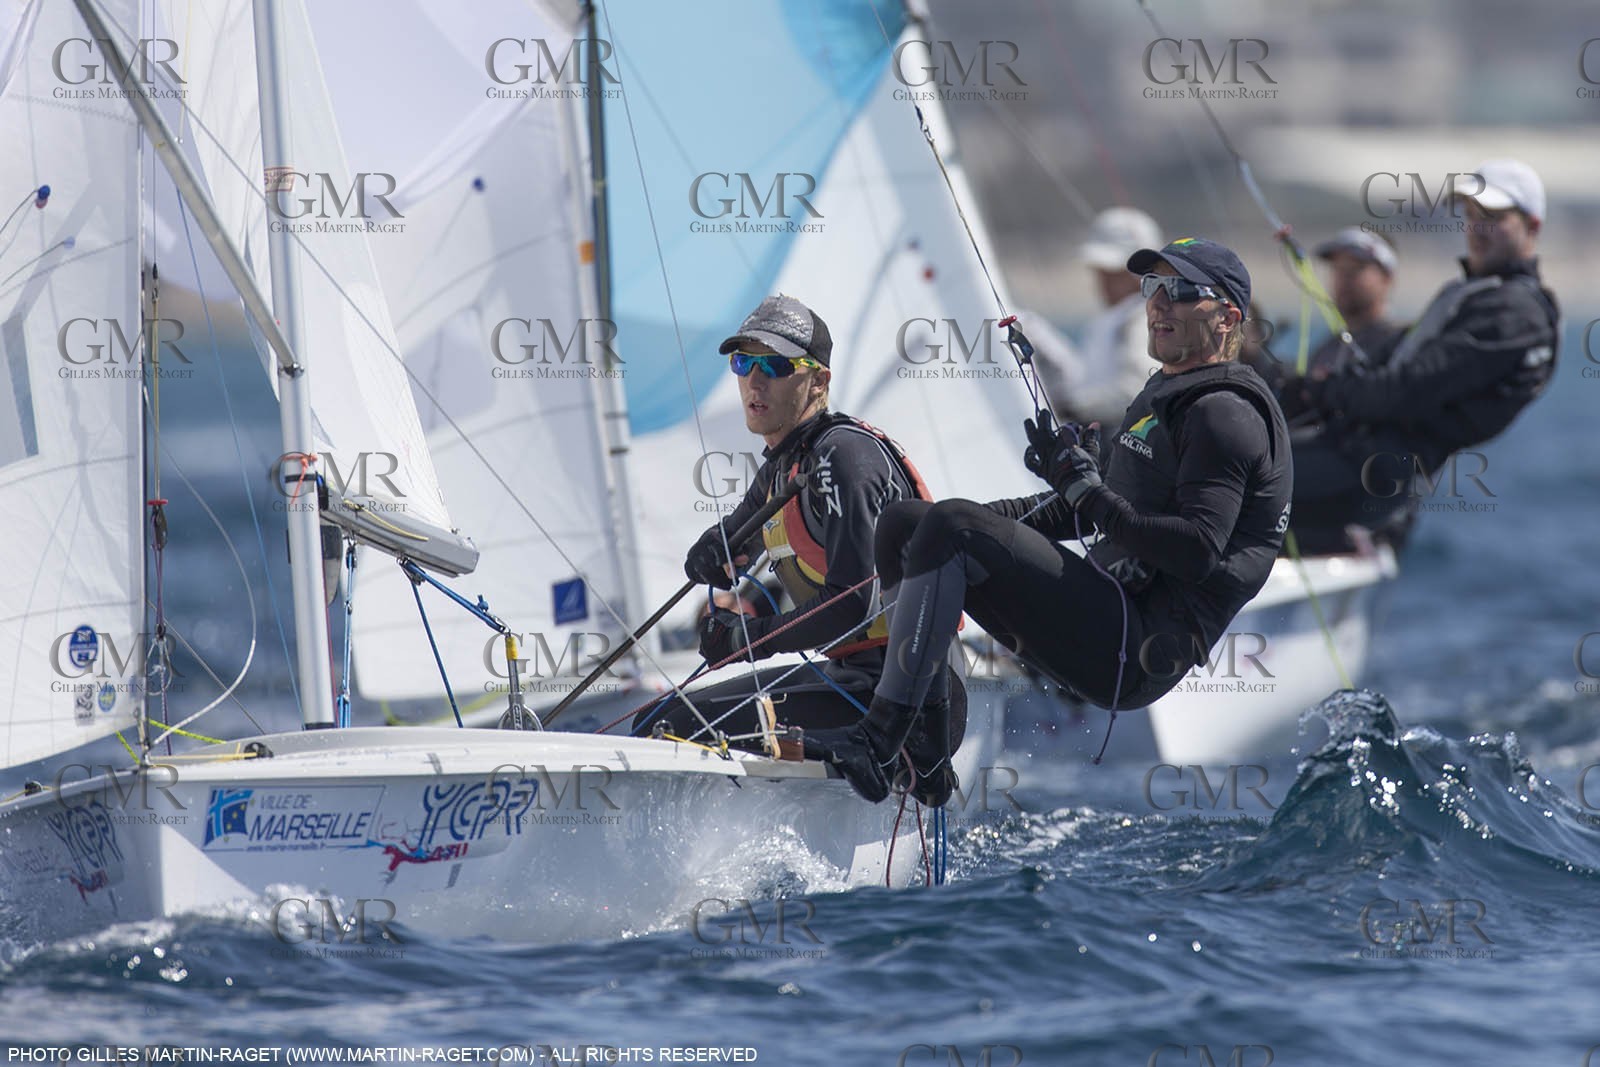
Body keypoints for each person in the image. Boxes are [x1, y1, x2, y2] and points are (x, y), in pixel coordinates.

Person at [805, 238, 1293, 803]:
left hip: (1134, 646)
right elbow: (1080, 509)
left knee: (951, 530)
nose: (1158, 305)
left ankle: (879, 738)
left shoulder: (1224, 415)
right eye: (1152, 289)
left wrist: (1082, 491)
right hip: (1108, 610)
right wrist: (992, 515)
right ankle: (919, 740)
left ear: (1228, 317)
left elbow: (1195, 550)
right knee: (909, 524)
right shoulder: (1170, 390)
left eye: (1181, 292)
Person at [634, 295, 966, 781]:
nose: (755, 380)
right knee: (655, 718)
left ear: (819, 381)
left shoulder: (844, 460)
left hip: (907, 705)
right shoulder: (785, 465)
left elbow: (852, 606)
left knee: (668, 724)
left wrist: (747, 640)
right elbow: (735, 539)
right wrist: (707, 554)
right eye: (743, 363)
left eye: (775, 365)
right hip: (853, 681)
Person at [1282, 159, 1559, 550]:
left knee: (1225, 477)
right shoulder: (1483, 296)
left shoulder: (1511, 313)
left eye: (1494, 217)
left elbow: (1404, 391)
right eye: (1471, 214)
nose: (1477, 228)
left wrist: (1318, 391)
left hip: (1370, 469)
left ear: (1532, 226)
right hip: (1356, 454)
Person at [1036, 207, 1164, 427]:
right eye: (1101, 272)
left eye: (1114, 273)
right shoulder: (1112, 320)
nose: (1103, 281)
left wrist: (1074, 408)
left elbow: (1139, 388)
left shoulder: (1143, 319)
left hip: (1121, 445)